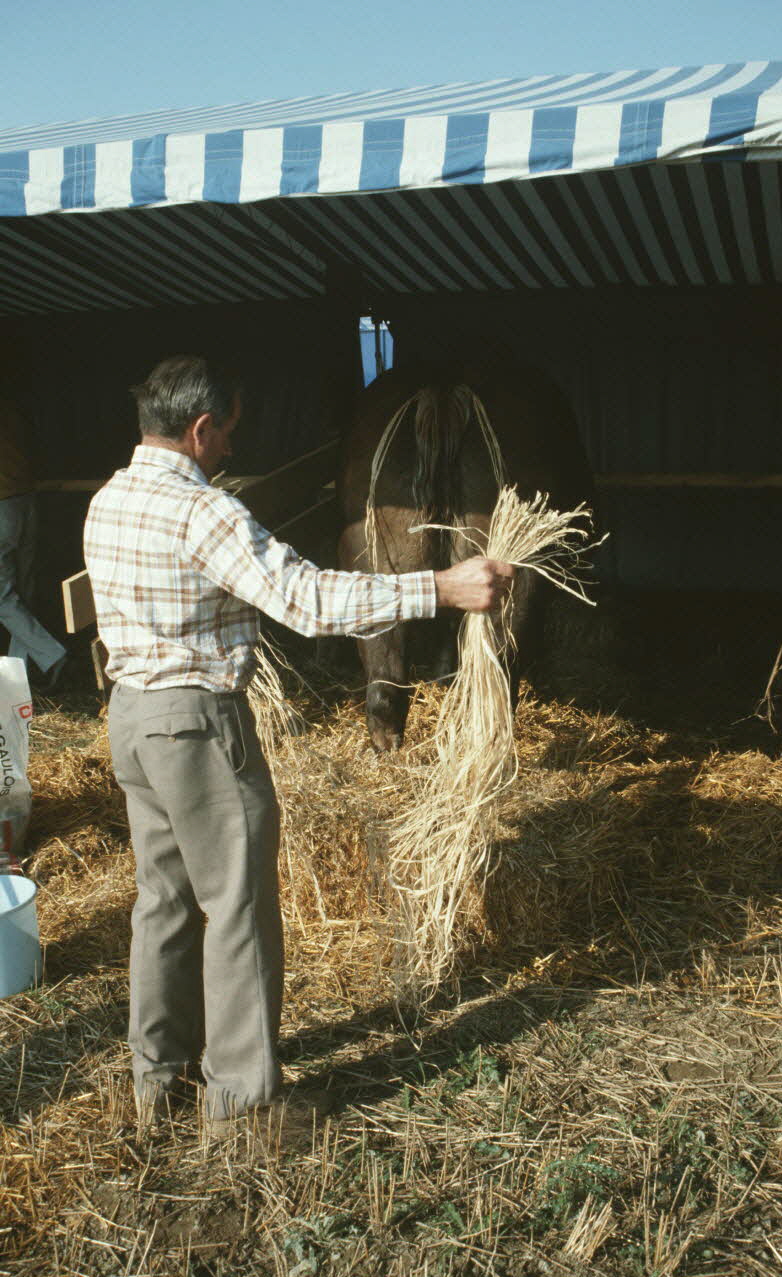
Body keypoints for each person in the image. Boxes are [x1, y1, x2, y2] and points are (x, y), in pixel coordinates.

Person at [83, 354, 514, 1137]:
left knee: (163, 904)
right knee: (239, 907)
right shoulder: (202, 512)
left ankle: (158, 1079)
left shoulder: (108, 500)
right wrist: (442, 589)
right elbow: (309, 600)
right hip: (196, 726)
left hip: (132, 721)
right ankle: (244, 1104)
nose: (230, 451)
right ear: (201, 428)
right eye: (228, 435)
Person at [0, 397, 67, 687]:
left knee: (2, 597)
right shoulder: (11, 408)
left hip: (1, 504)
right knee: (22, 594)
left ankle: (53, 654)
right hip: (25, 500)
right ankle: (19, 680)